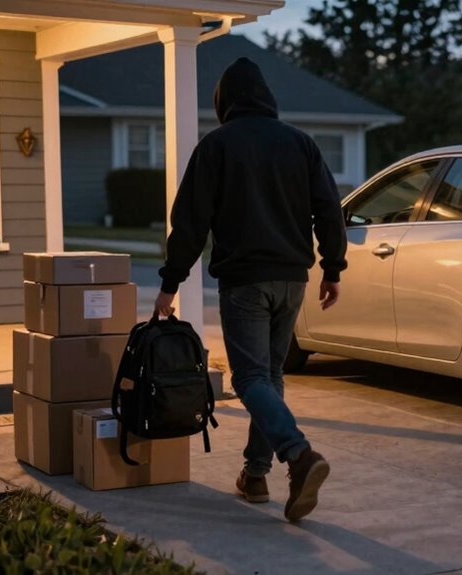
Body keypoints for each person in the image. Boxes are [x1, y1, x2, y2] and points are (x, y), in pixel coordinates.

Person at [154, 57, 347, 522]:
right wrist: (333, 268)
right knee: (271, 376)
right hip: (292, 281)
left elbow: (190, 222)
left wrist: (169, 283)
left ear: (224, 102)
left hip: (245, 283)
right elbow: (329, 208)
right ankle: (255, 475)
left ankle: (298, 455)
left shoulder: (217, 146)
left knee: (250, 379)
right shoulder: (301, 144)